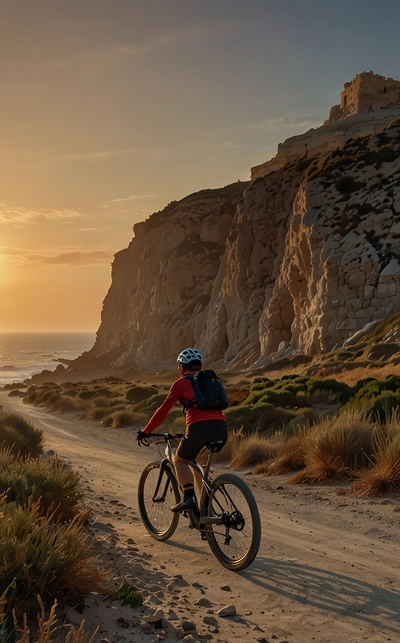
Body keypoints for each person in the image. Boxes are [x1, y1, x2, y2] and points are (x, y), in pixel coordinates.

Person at [136, 348, 228, 512]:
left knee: (180, 461)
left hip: (198, 428)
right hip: (221, 428)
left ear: (181, 367)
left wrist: (146, 431)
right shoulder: (211, 381)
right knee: (194, 463)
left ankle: (188, 498)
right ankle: (207, 509)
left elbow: (163, 411)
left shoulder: (181, 383)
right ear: (199, 366)